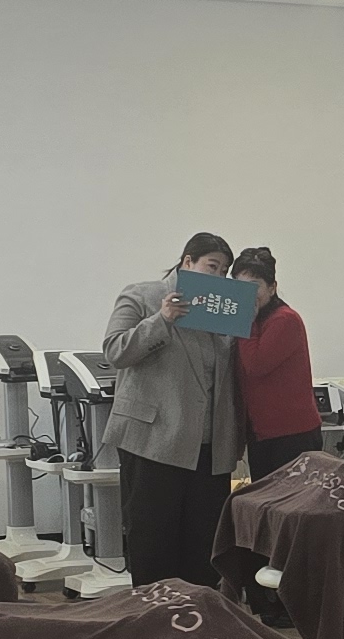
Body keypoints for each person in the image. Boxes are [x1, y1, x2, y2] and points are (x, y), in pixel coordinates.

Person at [98, 232, 249, 587]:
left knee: (203, 546)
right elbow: (115, 351)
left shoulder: (221, 309)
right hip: (153, 440)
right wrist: (162, 319)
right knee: (152, 540)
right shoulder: (142, 295)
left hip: (209, 447)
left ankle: (197, 615)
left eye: (224, 270)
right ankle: (153, 615)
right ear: (187, 262)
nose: (219, 276)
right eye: (212, 266)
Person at [233, 246, 324, 486]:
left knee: (290, 503)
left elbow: (256, 365)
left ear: (272, 288)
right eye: (240, 286)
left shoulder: (285, 319)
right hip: (262, 433)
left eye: (254, 286)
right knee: (266, 502)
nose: (247, 294)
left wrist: (246, 320)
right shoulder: (254, 321)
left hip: (291, 436)